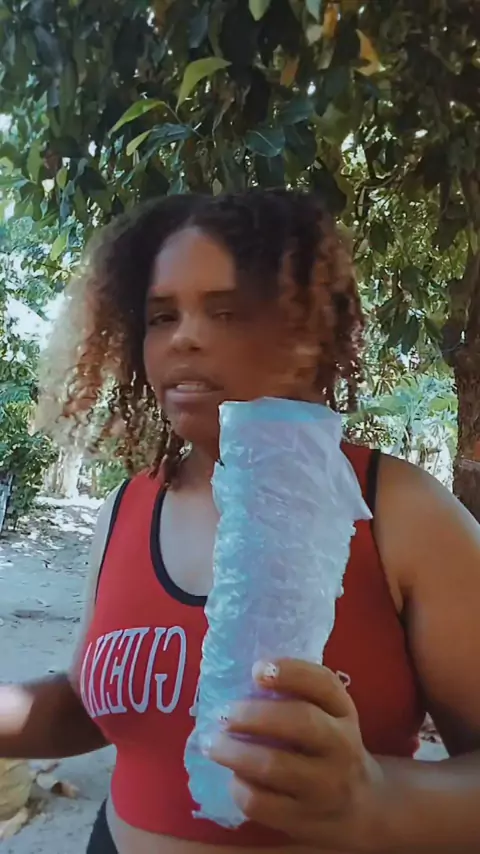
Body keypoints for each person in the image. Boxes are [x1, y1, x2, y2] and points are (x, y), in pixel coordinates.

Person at [1, 189, 480, 854]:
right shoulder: (127, 508)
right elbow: (91, 706)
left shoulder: (399, 513)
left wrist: (372, 798)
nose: (186, 336)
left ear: (304, 335)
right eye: (162, 316)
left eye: (226, 311)